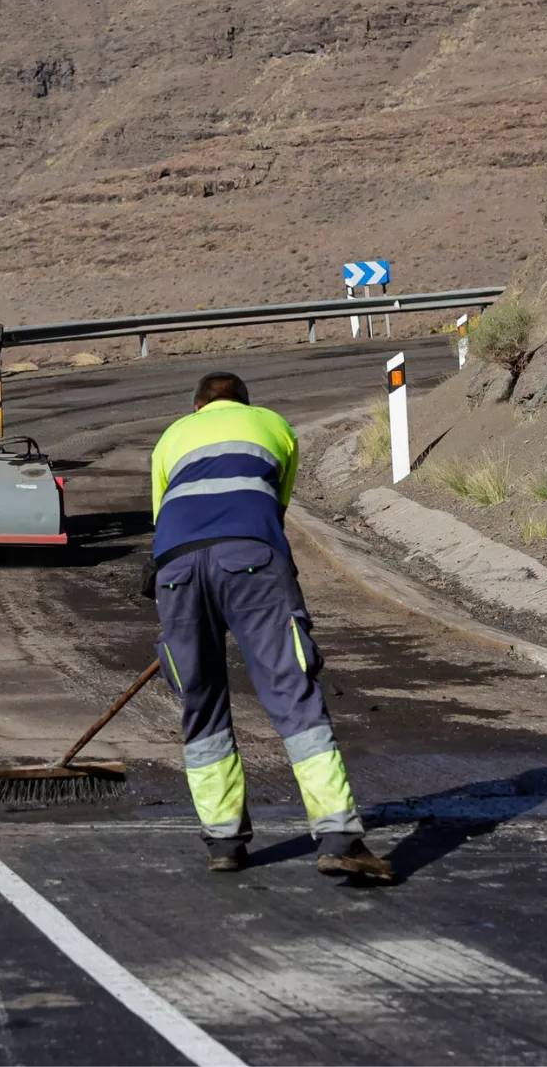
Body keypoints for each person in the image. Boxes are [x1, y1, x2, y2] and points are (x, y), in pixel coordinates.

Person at [148, 371, 393, 882]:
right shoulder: (275, 426)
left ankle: (222, 842)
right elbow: (274, 512)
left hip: (175, 573)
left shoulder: (170, 437)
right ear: (245, 403)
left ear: (197, 407)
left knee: (202, 701)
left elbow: (163, 520)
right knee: (290, 690)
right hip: (251, 560)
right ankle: (339, 836)